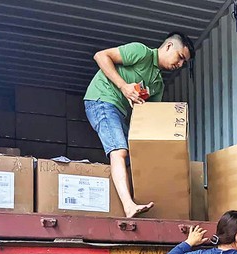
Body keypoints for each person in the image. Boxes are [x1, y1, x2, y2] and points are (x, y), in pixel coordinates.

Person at [84, 32, 195, 217]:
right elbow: (101, 55)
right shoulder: (140, 52)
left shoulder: (158, 84)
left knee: (134, 158)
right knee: (119, 151)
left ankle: (134, 202)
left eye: (184, 63)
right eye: (180, 57)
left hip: (119, 111)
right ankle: (128, 206)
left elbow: (150, 116)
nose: (180, 64)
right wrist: (123, 86)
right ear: (168, 47)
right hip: (101, 99)